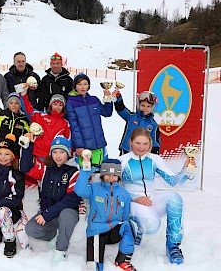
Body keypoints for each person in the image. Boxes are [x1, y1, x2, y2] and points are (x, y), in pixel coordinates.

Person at [118, 127, 195, 265]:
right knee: (152, 226)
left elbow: (173, 181)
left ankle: (173, 245)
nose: (141, 147)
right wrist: (135, 197)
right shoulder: (122, 161)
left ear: (150, 143)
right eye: (138, 143)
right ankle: (135, 227)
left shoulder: (155, 159)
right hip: (133, 203)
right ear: (130, 142)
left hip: (151, 200)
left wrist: (186, 169)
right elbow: (114, 188)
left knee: (175, 198)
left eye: (145, 144)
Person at [20, 135, 81, 265]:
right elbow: (25, 168)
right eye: (55, 152)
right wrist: (27, 147)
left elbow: (71, 200)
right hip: (48, 214)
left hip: (65, 214)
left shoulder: (74, 172)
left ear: (68, 153)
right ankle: (54, 235)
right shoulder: (45, 170)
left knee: (67, 213)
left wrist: (47, 215)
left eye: (62, 152)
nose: (58, 156)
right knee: (31, 229)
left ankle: (61, 250)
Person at [74, 158, 138, 271]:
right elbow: (79, 190)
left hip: (114, 229)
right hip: (97, 230)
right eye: (107, 174)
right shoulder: (94, 188)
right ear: (102, 175)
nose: (110, 178)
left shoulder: (124, 193)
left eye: (114, 175)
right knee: (94, 267)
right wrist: (85, 171)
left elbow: (126, 215)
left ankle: (122, 260)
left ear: (118, 176)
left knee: (130, 225)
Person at [20, 89, 71, 186]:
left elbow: (68, 140)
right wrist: (23, 95)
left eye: (60, 105)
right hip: (37, 155)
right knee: (36, 178)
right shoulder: (40, 116)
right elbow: (28, 108)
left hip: (53, 157)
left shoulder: (65, 123)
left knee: (49, 181)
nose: (57, 107)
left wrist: (68, 156)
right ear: (50, 105)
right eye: (55, 104)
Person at [66, 73, 113, 169]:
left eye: (85, 84)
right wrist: (79, 146)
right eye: (79, 84)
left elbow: (107, 113)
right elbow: (74, 127)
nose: (82, 87)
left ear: (89, 86)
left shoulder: (94, 100)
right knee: (84, 174)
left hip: (99, 145)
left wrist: (108, 100)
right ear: (75, 86)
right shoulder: (71, 103)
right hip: (83, 148)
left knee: (99, 173)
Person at [0, 92, 29, 163]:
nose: (14, 105)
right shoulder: (1, 115)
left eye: (16, 103)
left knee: (14, 171)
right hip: (0, 147)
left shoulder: (24, 119)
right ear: (8, 104)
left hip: (15, 149)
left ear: (20, 105)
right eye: (11, 103)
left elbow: (27, 135)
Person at [113, 90, 161, 155]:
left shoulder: (153, 125)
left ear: (152, 107)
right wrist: (118, 98)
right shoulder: (131, 117)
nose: (145, 108)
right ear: (138, 105)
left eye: (148, 106)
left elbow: (155, 142)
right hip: (127, 151)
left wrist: (154, 153)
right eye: (143, 105)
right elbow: (121, 109)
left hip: (143, 153)